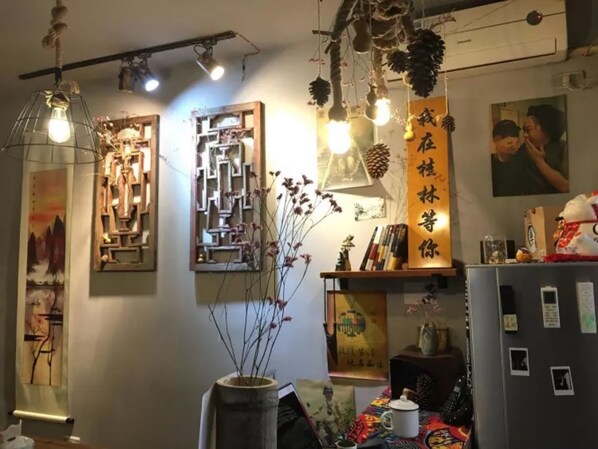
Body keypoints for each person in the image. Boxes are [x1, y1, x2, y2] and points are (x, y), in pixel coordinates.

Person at [521, 104, 569, 194]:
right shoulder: (524, 149)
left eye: (528, 130)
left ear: (545, 128)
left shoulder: (565, 149)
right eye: (524, 131)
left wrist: (539, 161)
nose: (525, 135)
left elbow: (566, 187)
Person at [490, 120, 525, 197]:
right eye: (509, 143)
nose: (514, 146)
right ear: (495, 141)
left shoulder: (521, 161)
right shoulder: (489, 164)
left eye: (517, 142)